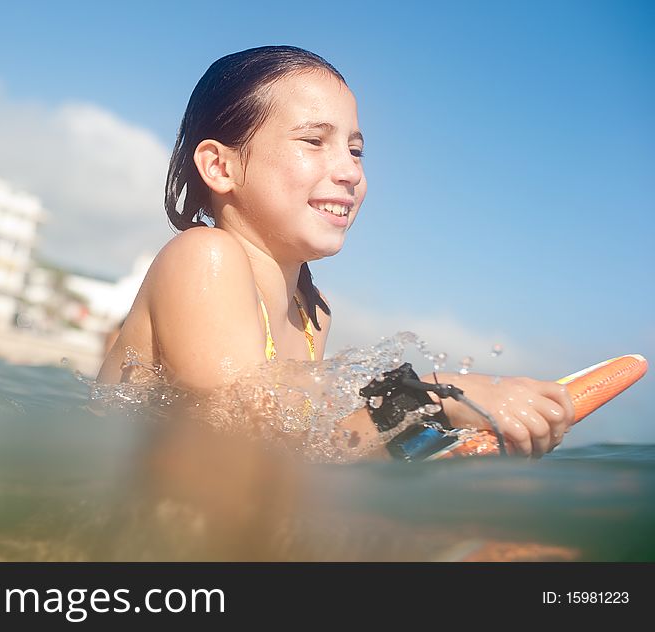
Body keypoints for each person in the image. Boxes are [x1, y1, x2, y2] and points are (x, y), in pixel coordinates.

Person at [97, 45, 573, 460]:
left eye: (356, 150)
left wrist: (439, 429)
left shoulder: (312, 317)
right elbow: (238, 430)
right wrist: (442, 392)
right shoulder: (203, 257)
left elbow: (307, 459)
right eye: (314, 141)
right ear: (220, 166)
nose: (349, 170)